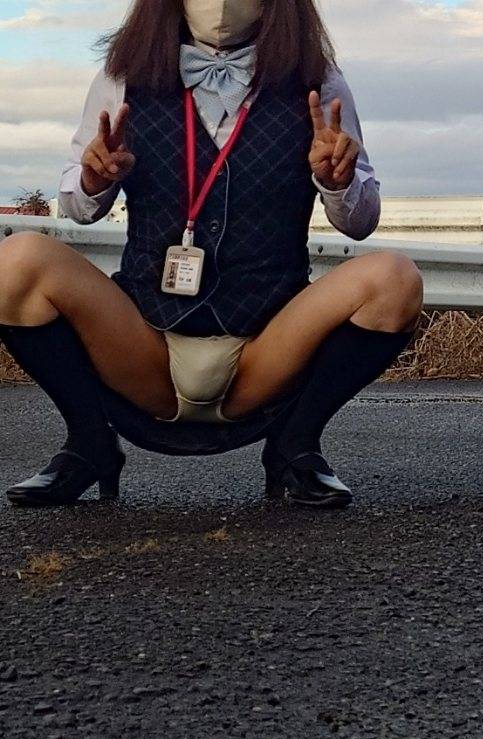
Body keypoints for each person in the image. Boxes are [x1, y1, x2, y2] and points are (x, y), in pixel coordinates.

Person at [0, 0, 423, 509]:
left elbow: (360, 222)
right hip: (144, 341)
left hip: (267, 345)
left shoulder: (319, 81)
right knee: (17, 261)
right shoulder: (123, 75)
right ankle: (89, 444)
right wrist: (93, 178)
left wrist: (336, 182)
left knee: (395, 279)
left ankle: (296, 445)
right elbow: (76, 207)